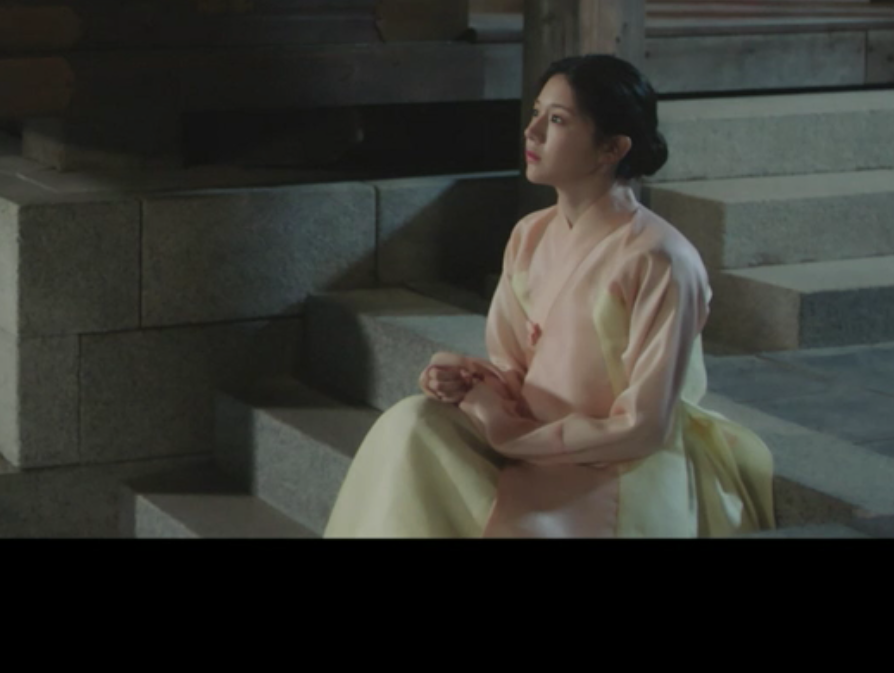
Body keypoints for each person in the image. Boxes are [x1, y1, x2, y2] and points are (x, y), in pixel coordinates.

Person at [323, 53, 772, 538]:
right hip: (532, 435)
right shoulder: (530, 234)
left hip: (616, 460)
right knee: (410, 423)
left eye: (557, 120)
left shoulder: (660, 259)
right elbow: (517, 369)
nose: (531, 132)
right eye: (536, 113)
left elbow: (645, 426)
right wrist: (472, 384)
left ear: (613, 147)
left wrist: (513, 437)